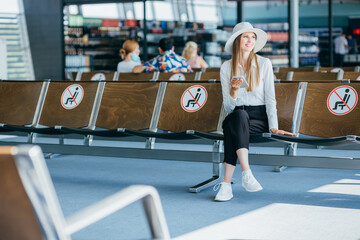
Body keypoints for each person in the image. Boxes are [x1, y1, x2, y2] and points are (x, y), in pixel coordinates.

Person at [214, 22, 295, 202]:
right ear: (237, 40)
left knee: (231, 131)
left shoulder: (264, 63)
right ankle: (246, 173)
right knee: (238, 117)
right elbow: (228, 107)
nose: (250, 41)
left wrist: (274, 127)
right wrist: (233, 92)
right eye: (245, 37)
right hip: (236, 114)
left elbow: (270, 98)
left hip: (258, 118)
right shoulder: (226, 67)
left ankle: (226, 185)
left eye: (253, 37)